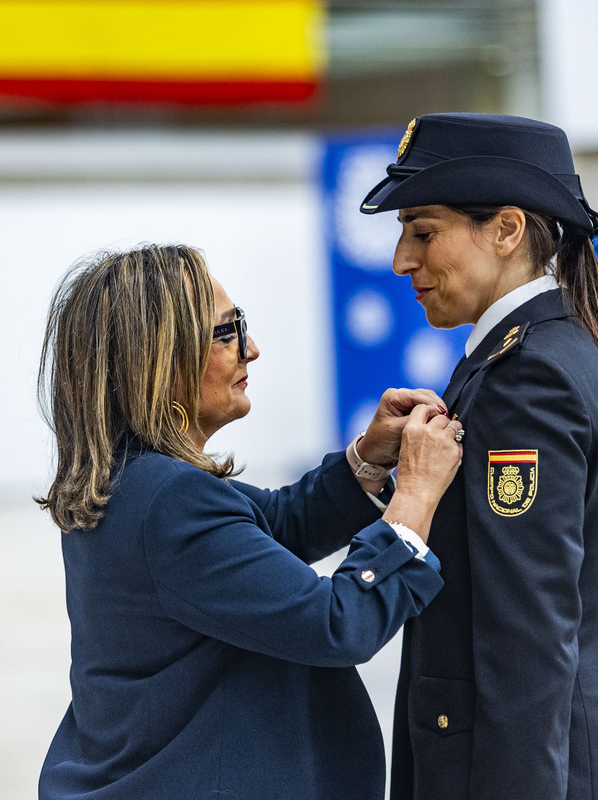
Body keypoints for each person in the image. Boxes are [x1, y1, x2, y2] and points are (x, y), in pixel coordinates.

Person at [35, 244, 465, 800]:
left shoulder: (132, 482)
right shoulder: (171, 502)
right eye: (228, 330)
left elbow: (275, 526)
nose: (252, 349)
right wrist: (415, 495)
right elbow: (337, 624)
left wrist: (368, 457)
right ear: (160, 359)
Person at [360, 113, 598, 799]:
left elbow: (529, 645)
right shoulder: (538, 354)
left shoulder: (528, 378)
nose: (402, 261)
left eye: (424, 232)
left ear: (506, 230)